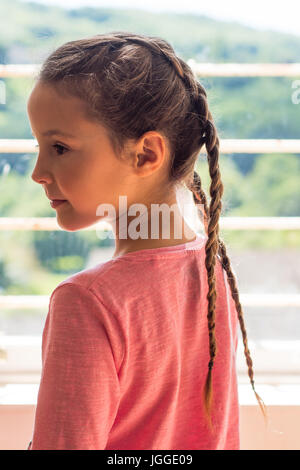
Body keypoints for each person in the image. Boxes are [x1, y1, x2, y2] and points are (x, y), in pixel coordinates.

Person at [26, 32, 266, 450]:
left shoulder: (87, 302)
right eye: (39, 146)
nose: (38, 172)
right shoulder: (210, 271)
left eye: (60, 148)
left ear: (146, 155)